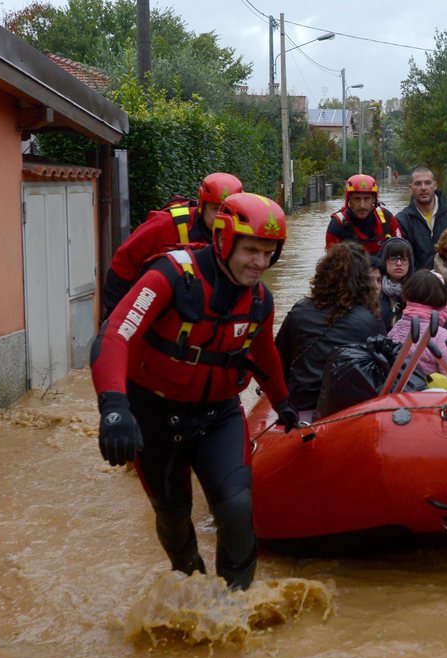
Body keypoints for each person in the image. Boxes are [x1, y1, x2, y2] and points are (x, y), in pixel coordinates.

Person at [90, 192, 299, 591]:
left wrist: (283, 401)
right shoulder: (170, 276)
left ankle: (233, 608)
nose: (260, 263)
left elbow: (262, 351)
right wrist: (114, 407)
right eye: (251, 250)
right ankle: (191, 586)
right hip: (152, 415)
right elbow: (115, 334)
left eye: (269, 253)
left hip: (217, 415)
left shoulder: (259, 299)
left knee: (237, 509)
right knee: (172, 515)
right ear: (223, 240)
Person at [102, 172, 243, 318]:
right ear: (202, 205)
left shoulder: (241, 238)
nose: (220, 218)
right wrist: (114, 315)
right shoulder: (165, 224)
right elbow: (124, 261)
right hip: (151, 306)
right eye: (214, 209)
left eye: (226, 211)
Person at [274, 242, 386, 419]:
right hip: (349, 412)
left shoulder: (299, 311)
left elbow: (278, 361)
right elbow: (383, 371)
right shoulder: (371, 318)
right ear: (363, 281)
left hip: (302, 408)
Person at [387, 270, 447, 388]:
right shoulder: (442, 337)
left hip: (399, 401)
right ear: (441, 297)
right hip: (431, 403)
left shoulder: (394, 330)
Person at [396, 166, 447, 269]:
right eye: (418, 183)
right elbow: (404, 260)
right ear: (410, 188)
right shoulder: (402, 221)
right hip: (420, 282)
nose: (423, 188)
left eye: (428, 183)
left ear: (435, 185)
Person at [325, 173, 402, 255]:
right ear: (349, 200)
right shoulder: (337, 224)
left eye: (367, 199)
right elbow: (332, 263)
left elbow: (402, 252)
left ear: (373, 200)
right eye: (357, 199)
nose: (362, 205)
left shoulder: (386, 218)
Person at [377, 237, 415, 330]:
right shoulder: (375, 288)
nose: (398, 263)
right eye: (393, 259)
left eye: (403, 259)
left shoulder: (416, 291)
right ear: (384, 261)